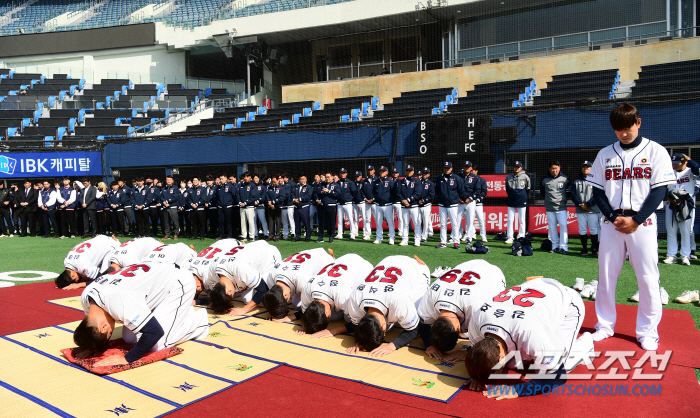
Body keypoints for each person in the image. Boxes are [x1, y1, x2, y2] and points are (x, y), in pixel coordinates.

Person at [587, 104, 676, 351]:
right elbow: (598, 190)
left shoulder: (656, 151)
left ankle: (648, 332)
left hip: (643, 223)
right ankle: (604, 325)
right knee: (606, 276)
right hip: (611, 222)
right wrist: (612, 216)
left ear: (638, 122)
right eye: (618, 129)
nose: (623, 133)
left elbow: (660, 189)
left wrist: (637, 219)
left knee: (648, 278)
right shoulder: (605, 154)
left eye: (627, 127)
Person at [464, 278, 593, 399]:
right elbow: (480, 354)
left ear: (501, 357)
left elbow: (558, 377)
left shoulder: (531, 332)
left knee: (555, 368)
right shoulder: (477, 321)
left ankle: (585, 345)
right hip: (535, 292)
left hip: (566, 302)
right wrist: (477, 373)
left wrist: (518, 390)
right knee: (514, 364)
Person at [74, 262, 209, 367]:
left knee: (158, 344)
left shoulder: (118, 302)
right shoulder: (86, 297)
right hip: (155, 281)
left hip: (178, 283)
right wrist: (91, 346)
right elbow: (92, 328)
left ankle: (198, 322)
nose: (111, 334)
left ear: (103, 327)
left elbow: (154, 332)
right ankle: (179, 311)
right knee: (129, 337)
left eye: (109, 334)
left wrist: (127, 359)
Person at [417, 260, 506, 359]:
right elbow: (423, 324)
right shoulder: (429, 296)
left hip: (493, 274)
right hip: (467, 267)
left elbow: (491, 336)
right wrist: (428, 344)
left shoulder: (477, 308)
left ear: (458, 329)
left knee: (472, 333)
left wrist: (468, 353)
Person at [343, 255, 430, 357]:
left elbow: (414, 329)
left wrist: (392, 346)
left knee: (420, 317)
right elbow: (356, 324)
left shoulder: (399, 301)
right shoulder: (355, 298)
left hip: (417, 269)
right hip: (389, 260)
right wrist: (360, 340)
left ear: (383, 326)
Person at [297, 253, 373, 335]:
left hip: (364, 267)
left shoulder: (343, 297)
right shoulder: (307, 289)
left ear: (327, 313)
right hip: (344, 258)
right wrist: (306, 325)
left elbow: (358, 322)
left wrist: (333, 331)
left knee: (347, 319)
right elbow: (306, 313)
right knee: (334, 316)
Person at [210, 240, 282, 315]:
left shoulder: (240, 269)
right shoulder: (213, 269)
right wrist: (220, 306)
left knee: (263, 302)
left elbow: (263, 289)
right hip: (252, 260)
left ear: (230, 291)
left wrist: (244, 310)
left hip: (269, 258)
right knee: (247, 298)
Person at [263, 248, 335, 320]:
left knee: (334, 316)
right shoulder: (272, 275)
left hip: (326, 262)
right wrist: (273, 312)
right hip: (310, 256)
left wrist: (291, 317)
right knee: (296, 304)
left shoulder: (304, 282)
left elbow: (315, 306)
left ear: (285, 295)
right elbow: (272, 298)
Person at [663, 153, 699, 266]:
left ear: (684, 162)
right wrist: (670, 198)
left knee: (685, 232)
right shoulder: (669, 172)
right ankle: (671, 255)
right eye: (672, 163)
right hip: (671, 204)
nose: (674, 165)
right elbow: (663, 189)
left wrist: (688, 158)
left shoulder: (691, 172)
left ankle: (685, 256)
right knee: (671, 231)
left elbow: (696, 167)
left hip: (686, 206)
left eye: (677, 163)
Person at [55, 235, 120, 289]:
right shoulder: (66, 262)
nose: (78, 280)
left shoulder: (82, 265)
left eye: (77, 280)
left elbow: (101, 279)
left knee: (106, 279)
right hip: (101, 239)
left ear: (73, 276)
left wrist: (79, 285)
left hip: (112, 246)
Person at [570, 161, 600, 257]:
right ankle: (584, 249)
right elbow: (573, 195)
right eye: (584, 167)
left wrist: (587, 204)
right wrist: (581, 204)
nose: (585, 169)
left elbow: (597, 195)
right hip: (580, 209)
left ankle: (594, 250)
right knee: (582, 230)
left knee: (593, 229)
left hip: (592, 209)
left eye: (587, 167)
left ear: (591, 168)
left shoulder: (596, 180)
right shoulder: (576, 181)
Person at [541, 161, 570, 254]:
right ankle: (554, 246)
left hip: (561, 208)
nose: (554, 170)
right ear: (549, 169)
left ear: (559, 168)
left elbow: (569, 192)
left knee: (563, 226)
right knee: (552, 227)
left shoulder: (565, 179)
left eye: (556, 168)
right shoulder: (544, 180)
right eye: (552, 168)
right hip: (549, 208)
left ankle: (564, 247)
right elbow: (542, 193)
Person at [435, 161, 464, 249]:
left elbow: (461, 190)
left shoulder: (456, 178)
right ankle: (443, 242)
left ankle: (456, 242)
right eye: (445, 168)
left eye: (448, 168)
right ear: (443, 168)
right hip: (442, 204)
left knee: (454, 224)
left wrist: (456, 198)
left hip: (453, 204)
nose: (446, 169)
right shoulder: (439, 178)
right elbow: (437, 191)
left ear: (451, 168)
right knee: (443, 224)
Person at [505, 161, 531, 244]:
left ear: (521, 167)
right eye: (515, 166)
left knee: (522, 220)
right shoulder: (508, 177)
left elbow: (528, 189)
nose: (516, 168)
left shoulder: (525, 177)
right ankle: (510, 237)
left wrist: (523, 196)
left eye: (518, 167)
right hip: (511, 200)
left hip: (522, 200)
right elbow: (507, 189)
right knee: (510, 219)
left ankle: (521, 236)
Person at [397, 165, 421, 247]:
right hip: (404, 206)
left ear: (413, 172)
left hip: (413, 205)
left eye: (410, 171)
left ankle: (417, 240)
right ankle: (404, 239)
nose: (409, 172)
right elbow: (398, 193)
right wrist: (403, 201)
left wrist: (409, 200)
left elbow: (418, 194)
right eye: (407, 170)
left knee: (416, 223)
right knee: (405, 224)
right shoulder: (401, 181)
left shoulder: (417, 181)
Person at [371, 166, 395, 245]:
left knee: (390, 222)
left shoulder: (390, 181)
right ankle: (378, 238)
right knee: (378, 222)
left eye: (383, 171)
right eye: (380, 171)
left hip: (388, 205)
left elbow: (394, 192)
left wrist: (390, 200)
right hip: (378, 205)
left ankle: (391, 238)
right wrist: (375, 199)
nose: (381, 172)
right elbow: (373, 192)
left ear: (387, 172)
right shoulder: (376, 181)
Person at [316, 172, 339, 243]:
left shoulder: (336, 185)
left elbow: (337, 195)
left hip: (331, 206)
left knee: (331, 222)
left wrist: (329, 191)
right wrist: (321, 193)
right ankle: (321, 236)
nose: (327, 178)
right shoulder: (322, 184)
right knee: (321, 222)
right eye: (326, 177)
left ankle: (331, 236)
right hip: (322, 206)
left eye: (328, 177)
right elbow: (317, 193)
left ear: (332, 177)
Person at [335, 168, 357, 240]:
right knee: (340, 220)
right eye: (341, 173)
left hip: (348, 203)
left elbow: (354, 192)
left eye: (344, 173)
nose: (342, 174)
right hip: (340, 204)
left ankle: (352, 234)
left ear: (346, 174)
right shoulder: (337, 183)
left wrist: (349, 199)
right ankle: (339, 234)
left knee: (350, 219)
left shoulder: (350, 182)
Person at [457, 161, 476, 243]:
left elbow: (477, 191)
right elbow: (455, 189)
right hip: (460, 202)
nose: (467, 168)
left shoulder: (475, 178)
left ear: (471, 168)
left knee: (470, 220)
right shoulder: (458, 177)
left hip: (470, 202)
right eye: (465, 167)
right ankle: (455, 237)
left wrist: (470, 198)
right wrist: (458, 198)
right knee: (457, 220)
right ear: (463, 167)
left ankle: (468, 238)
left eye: (468, 167)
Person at [238, 171, 258, 241]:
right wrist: (240, 202)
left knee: (251, 222)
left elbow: (253, 196)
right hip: (242, 207)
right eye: (245, 177)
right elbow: (237, 195)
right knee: (243, 222)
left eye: (247, 177)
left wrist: (245, 203)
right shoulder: (240, 185)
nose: (246, 178)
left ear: (250, 177)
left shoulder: (252, 185)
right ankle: (244, 236)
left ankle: (252, 236)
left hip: (249, 206)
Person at [470, 165, 488, 242]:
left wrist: (478, 199)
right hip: (470, 202)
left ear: (476, 171)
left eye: (473, 170)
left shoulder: (482, 180)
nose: (471, 172)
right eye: (471, 170)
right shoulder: (468, 180)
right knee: (469, 220)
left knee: (480, 219)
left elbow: (484, 191)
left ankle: (483, 236)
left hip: (478, 203)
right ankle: (471, 234)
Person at [292, 175, 313, 242]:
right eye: (301, 179)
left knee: (306, 223)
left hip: (304, 207)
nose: (302, 180)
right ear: (299, 180)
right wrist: (294, 199)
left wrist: (299, 199)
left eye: (303, 179)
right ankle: (298, 237)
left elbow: (308, 196)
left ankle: (307, 237)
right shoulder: (296, 187)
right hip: (296, 207)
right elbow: (291, 194)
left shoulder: (309, 187)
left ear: (306, 179)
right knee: (297, 223)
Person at [266, 176, 285, 241]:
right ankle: (271, 235)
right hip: (270, 207)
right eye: (272, 182)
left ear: (278, 181)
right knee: (271, 221)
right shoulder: (270, 188)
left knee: (278, 221)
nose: (273, 183)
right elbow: (267, 195)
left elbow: (282, 198)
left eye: (275, 181)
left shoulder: (281, 188)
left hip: (278, 207)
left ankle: (277, 236)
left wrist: (273, 202)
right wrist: (269, 202)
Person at [161, 175, 180, 240]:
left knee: (175, 221)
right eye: (167, 180)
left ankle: (176, 234)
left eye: (170, 180)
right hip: (165, 207)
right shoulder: (163, 189)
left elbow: (175, 197)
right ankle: (167, 234)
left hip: (172, 207)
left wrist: (167, 201)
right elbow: (161, 197)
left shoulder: (176, 188)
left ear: (172, 181)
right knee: (166, 222)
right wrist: (163, 202)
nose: (168, 181)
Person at [419, 167, 435, 241]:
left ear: (428, 174)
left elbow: (431, 195)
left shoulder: (430, 183)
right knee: (417, 221)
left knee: (425, 221)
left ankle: (424, 236)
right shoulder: (417, 182)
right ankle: (418, 235)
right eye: (423, 173)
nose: (424, 174)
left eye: (426, 173)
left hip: (426, 205)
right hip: (417, 205)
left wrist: (424, 200)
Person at [361, 166, 377, 240]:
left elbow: (379, 191)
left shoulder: (377, 180)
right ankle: (367, 234)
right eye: (369, 170)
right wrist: (365, 199)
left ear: (374, 171)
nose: (370, 171)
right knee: (367, 219)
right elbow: (362, 191)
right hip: (367, 203)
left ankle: (379, 234)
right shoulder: (365, 180)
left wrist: (373, 199)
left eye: (371, 170)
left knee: (377, 219)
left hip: (375, 203)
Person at [217, 174, 235, 239]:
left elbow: (234, 195)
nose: (221, 180)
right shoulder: (218, 187)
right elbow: (217, 196)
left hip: (228, 206)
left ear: (225, 178)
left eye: (222, 179)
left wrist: (230, 202)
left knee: (229, 221)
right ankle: (221, 235)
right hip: (220, 207)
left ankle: (229, 235)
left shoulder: (230, 186)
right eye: (220, 179)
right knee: (221, 221)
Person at [281, 173, 296, 240]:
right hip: (283, 204)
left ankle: (293, 233)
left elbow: (293, 193)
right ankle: (286, 234)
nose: (281, 179)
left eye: (282, 178)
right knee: (284, 220)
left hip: (290, 204)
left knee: (291, 219)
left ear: (285, 177)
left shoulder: (292, 184)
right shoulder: (281, 185)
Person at [253, 175, 269, 239]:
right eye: (255, 178)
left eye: (257, 178)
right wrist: (252, 201)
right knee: (253, 221)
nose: (257, 180)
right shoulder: (251, 186)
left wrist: (258, 201)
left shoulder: (262, 186)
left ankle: (265, 233)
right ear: (252, 179)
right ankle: (255, 234)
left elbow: (264, 196)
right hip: (252, 206)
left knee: (263, 220)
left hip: (261, 206)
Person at [351, 171, 365, 241]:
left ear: (361, 176)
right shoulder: (353, 183)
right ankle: (355, 232)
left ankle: (365, 233)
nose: (357, 177)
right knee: (355, 219)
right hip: (355, 202)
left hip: (362, 202)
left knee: (364, 219)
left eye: (358, 176)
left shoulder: (364, 182)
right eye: (356, 176)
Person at [391, 168, 403, 237]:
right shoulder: (390, 181)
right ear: (392, 174)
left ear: (398, 174)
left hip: (398, 202)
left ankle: (400, 231)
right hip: (392, 202)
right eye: (394, 172)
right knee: (391, 218)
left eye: (396, 173)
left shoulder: (401, 181)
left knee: (400, 218)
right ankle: (391, 231)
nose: (395, 174)